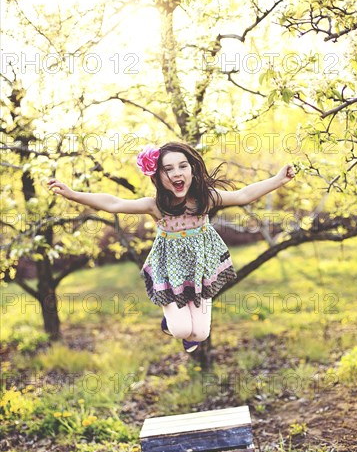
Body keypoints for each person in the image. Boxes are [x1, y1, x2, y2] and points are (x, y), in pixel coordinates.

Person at [47, 141, 295, 353]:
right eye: (168, 169)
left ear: (192, 170)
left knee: (200, 335)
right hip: (170, 271)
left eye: (182, 166)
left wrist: (277, 180)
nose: (177, 173)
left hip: (199, 270)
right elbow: (113, 202)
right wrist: (74, 194)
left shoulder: (204, 198)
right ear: (157, 176)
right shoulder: (155, 205)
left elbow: (243, 195)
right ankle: (169, 322)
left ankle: (195, 308)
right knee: (181, 329)